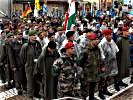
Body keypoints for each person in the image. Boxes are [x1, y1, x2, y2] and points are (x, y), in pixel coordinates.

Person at [20, 30, 42, 99]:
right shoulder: (25, 46)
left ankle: (37, 93)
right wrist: (26, 64)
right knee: (30, 81)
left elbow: (40, 54)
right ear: (29, 37)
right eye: (33, 35)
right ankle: (30, 95)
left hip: (37, 66)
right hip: (29, 66)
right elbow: (22, 57)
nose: (35, 37)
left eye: (35, 35)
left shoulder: (38, 44)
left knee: (37, 80)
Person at [98, 29, 119, 99]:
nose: (111, 36)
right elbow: (101, 55)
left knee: (107, 78)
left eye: (111, 34)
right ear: (105, 35)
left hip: (111, 62)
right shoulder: (102, 44)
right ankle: (100, 93)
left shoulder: (112, 41)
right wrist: (102, 65)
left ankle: (105, 90)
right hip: (105, 63)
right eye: (110, 35)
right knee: (102, 79)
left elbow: (116, 50)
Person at [80, 33, 101, 100]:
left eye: (97, 39)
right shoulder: (85, 50)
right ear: (91, 40)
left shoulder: (97, 49)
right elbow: (80, 62)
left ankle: (91, 98)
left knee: (93, 87)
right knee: (85, 90)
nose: (97, 41)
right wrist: (85, 70)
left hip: (95, 72)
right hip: (87, 74)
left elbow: (99, 58)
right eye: (95, 39)